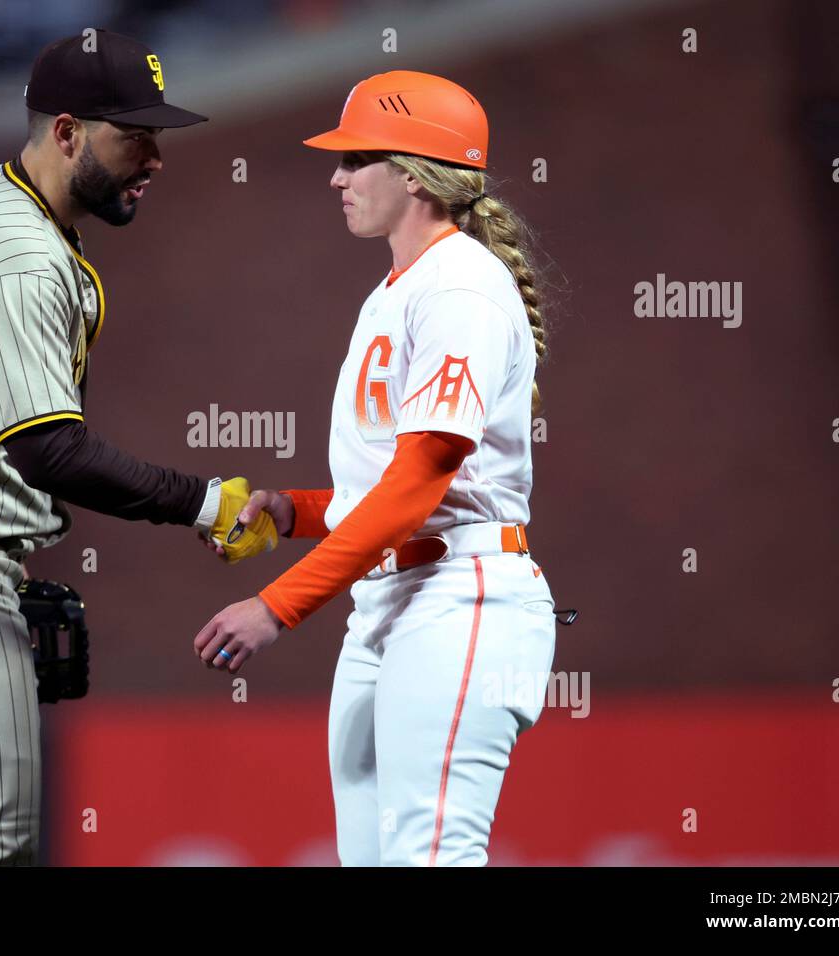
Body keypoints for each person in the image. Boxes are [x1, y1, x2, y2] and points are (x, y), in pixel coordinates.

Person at [0, 29, 274, 867]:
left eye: (157, 136)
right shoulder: (19, 257)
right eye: (133, 135)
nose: (154, 157)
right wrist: (208, 503)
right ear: (67, 132)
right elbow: (51, 453)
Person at [193, 71, 558, 867]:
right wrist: (293, 510)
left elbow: (422, 480)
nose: (337, 176)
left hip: (461, 597)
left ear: (417, 172)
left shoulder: (462, 285)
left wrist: (276, 607)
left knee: (431, 855)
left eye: (357, 159)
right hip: (393, 599)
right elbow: (387, 493)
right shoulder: (398, 288)